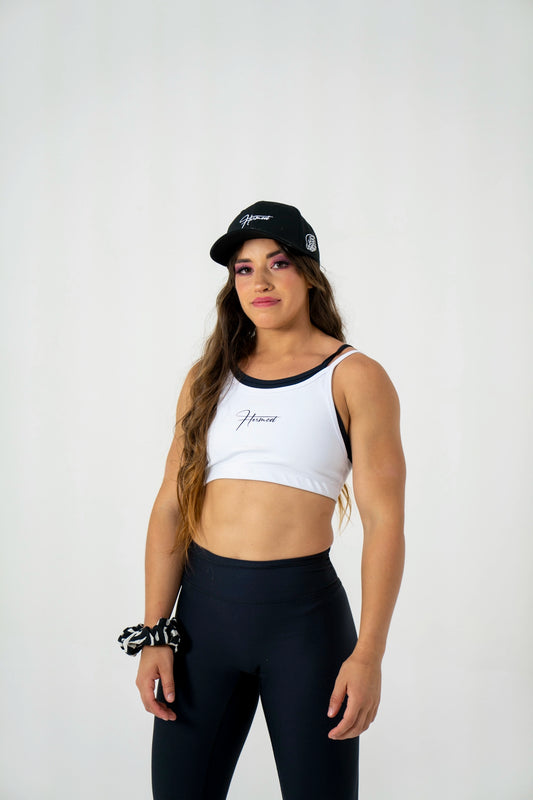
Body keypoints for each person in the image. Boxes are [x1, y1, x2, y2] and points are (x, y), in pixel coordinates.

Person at [121, 201, 406, 800]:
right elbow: (170, 506)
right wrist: (155, 633)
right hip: (201, 623)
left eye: (278, 263)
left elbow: (384, 522)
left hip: (303, 627)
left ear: (309, 273)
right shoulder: (209, 377)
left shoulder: (354, 376)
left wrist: (369, 655)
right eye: (244, 269)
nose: (260, 282)